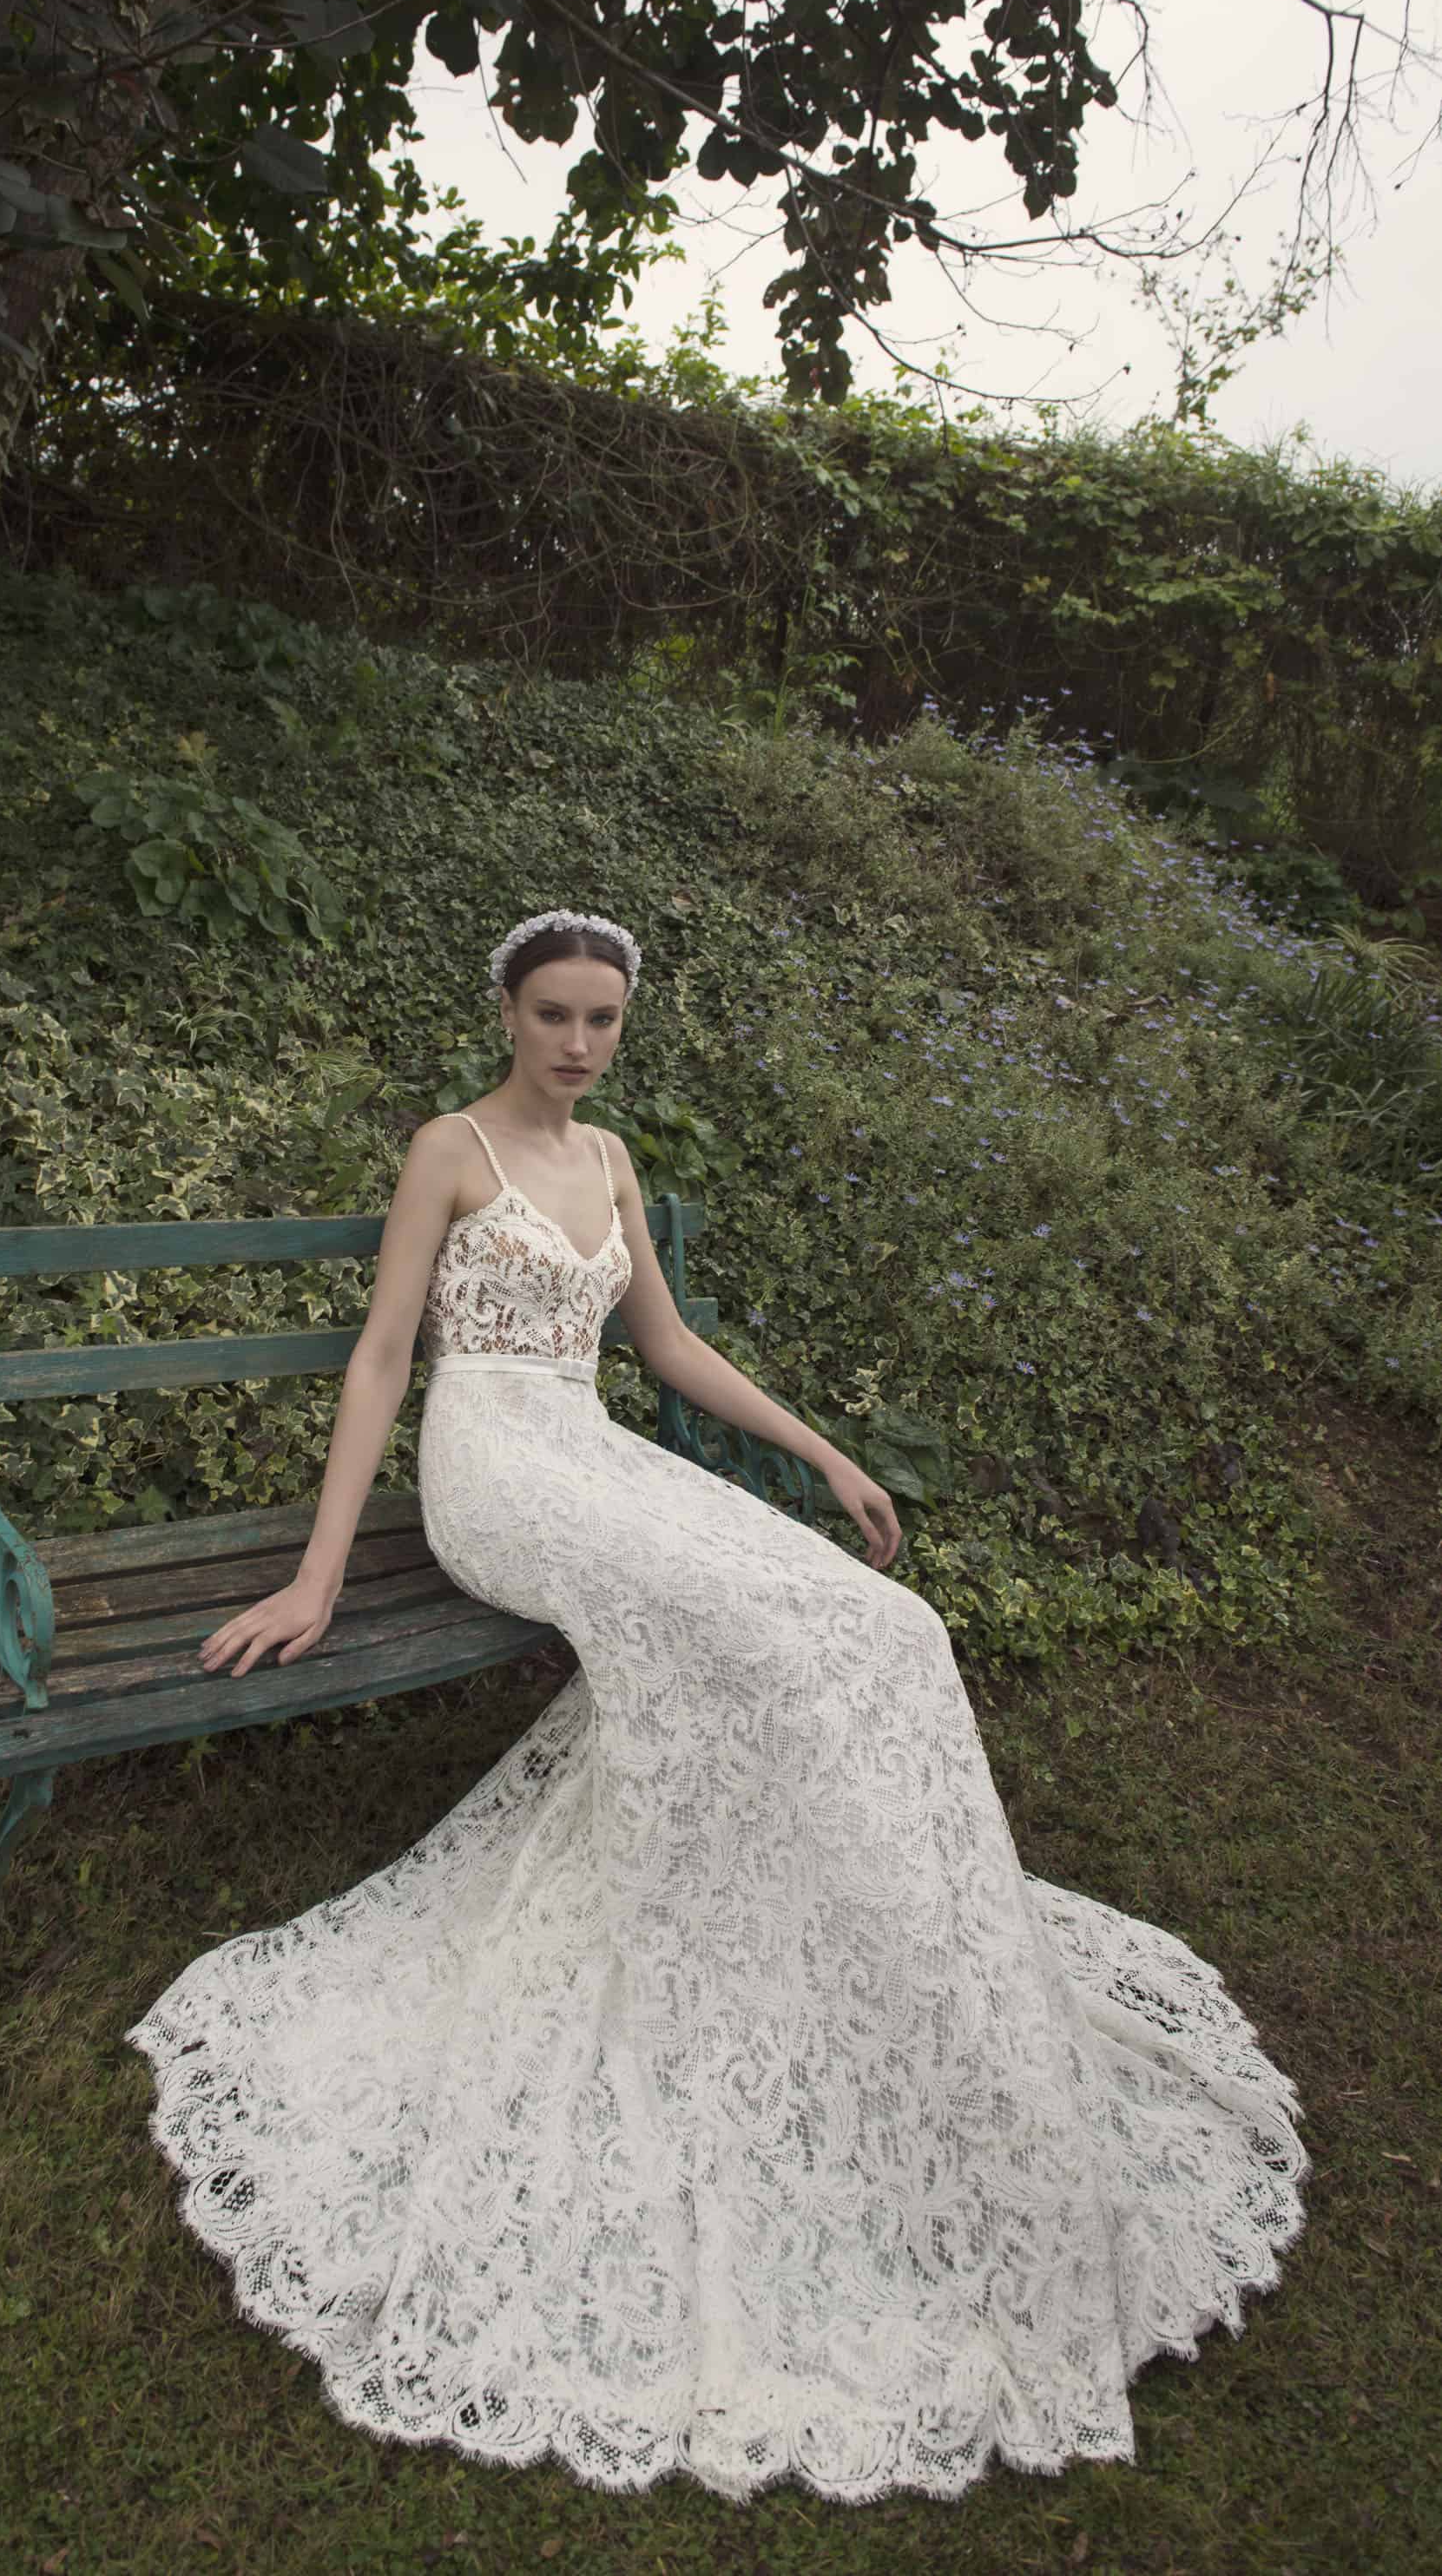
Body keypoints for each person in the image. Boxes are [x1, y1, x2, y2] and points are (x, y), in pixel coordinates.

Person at [125, 908, 1309, 2507]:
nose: (577, 1043)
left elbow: (666, 1344)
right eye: (553, 1014)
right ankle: (710, 1904)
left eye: (602, 1018)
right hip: (495, 1471)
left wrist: (823, 1455)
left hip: (595, 1450)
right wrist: (320, 1577)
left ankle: (857, 1917)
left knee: (885, 1626)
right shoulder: (450, 1150)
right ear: (505, 1011)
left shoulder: (610, 1160)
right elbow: (384, 1357)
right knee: (747, 1623)